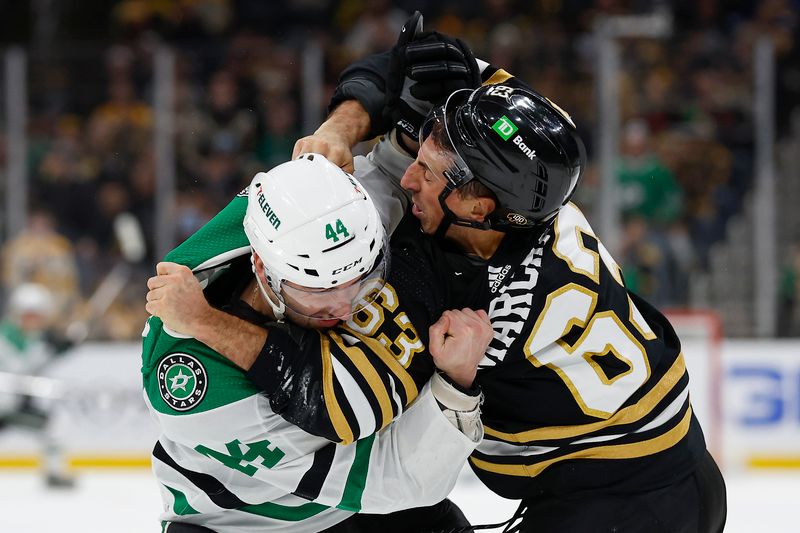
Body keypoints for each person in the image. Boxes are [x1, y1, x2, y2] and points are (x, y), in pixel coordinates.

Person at [150, 14, 727, 533]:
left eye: (427, 171)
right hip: (657, 454)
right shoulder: (524, 155)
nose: (406, 176)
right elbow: (417, 64)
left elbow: (338, 402)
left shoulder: (465, 288)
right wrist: (343, 127)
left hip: (620, 504)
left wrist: (203, 322)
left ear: (478, 209)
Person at [143, 153, 493, 532]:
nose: (344, 310)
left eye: (361, 280)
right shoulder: (196, 389)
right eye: (321, 293)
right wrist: (456, 386)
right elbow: (394, 479)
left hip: (345, 513)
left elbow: (386, 163)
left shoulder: (327, 207)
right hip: (230, 525)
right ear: (264, 270)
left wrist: (341, 127)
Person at [0, 283, 75, 488]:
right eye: (30, 315)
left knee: (55, 424)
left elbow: (32, 368)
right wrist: (51, 350)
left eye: (38, 316)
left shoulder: (34, 339)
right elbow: (18, 369)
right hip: (4, 402)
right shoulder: (5, 337)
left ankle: (54, 471)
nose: (34, 321)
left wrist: (60, 348)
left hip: (12, 406)